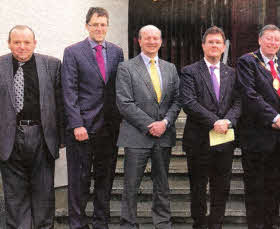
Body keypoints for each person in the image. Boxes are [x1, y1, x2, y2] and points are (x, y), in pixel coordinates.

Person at [61, 7, 124, 229]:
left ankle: (101, 223)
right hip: (82, 129)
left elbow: (117, 88)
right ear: (87, 26)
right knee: (79, 183)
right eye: (95, 24)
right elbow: (69, 92)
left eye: (103, 24)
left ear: (108, 26)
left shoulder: (117, 52)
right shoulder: (73, 52)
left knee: (104, 182)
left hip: (109, 129)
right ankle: (77, 224)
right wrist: (77, 123)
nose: (99, 28)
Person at [116, 25, 181, 229]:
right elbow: (124, 102)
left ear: (161, 41)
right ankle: (128, 224)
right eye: (147, 38)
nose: (152, 41)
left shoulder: (170, 68)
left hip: (164, 135)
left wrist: (165, 123)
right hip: (137, 135)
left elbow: (178, 100)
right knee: (131, 185)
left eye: (156, 38)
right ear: (139, 41)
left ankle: (162, 223)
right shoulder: (126, 68)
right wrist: (149, 125)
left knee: (162, 185)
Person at [0, 25, 64, 229]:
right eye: (16, 42)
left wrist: (61, 138)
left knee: (44, 192)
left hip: (42, 136)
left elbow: (61, 104)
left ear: (34, 43)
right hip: (8, 138)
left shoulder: (52, 65)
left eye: (26, 42)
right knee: (15, 194)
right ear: (9, 43)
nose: (21, 46)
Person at [179, 26, 241, 229]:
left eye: (218, 43)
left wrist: (228, 121)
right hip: (198, 141)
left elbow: (239, 102)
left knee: (221, 188)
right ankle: (199, 224)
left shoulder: (232, 73)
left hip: (224, 140)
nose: (214, 46)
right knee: (197, 188)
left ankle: (217, 224)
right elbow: (189, 102)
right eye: (211, 42)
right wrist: (215, 121)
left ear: (224, 47)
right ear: (203, 45)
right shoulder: (189, 71)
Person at [236, 24, 280, 229]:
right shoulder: (247, 62)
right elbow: (249, 95)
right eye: (269, 38)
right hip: (256, 138)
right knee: (255, 190)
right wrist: (273, 117)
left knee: (274, 188)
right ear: (260, 40)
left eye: (276, 40)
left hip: (279, 139)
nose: (272, 43)